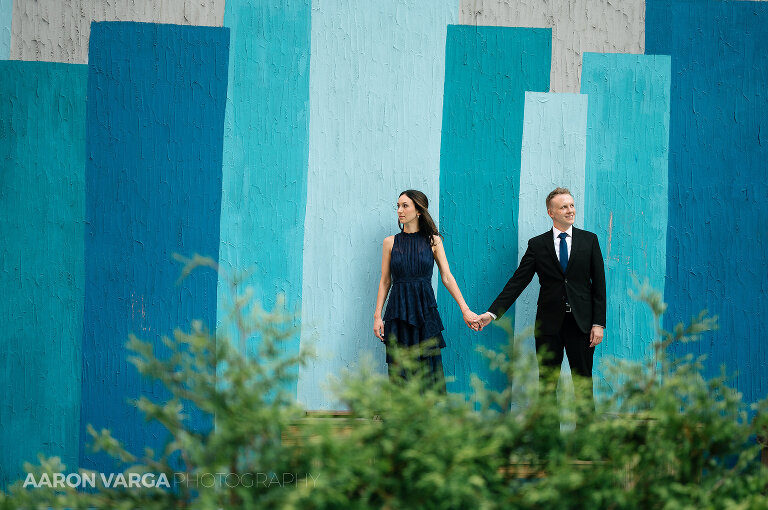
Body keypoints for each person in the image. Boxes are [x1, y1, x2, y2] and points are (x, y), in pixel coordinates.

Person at [473, 187, 606, 401]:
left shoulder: (589, 240)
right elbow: (517, 282)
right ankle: (548, 435)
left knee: (583, 385)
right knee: (546, 386)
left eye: (571, 205)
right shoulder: (537, 245)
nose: (570, 210)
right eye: (564, 207)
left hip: (581, 324)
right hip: (548, 326)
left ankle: (586, 434)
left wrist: (598, 323)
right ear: (551, 212)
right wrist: (492, 314)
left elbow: (600, 285)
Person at [373, 190, 479, 390]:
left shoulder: (433, 240)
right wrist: (377, 316)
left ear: (419, 210)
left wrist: (465, 309)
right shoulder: (390, 242)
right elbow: (385, 281)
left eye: (405, 205)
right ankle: (400, 418)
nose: (400, 210)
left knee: (428, 369)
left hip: (425, 311)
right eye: (398, 206)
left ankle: (428, 419)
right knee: (399, 368)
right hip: (398, 312)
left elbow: (447, 277)